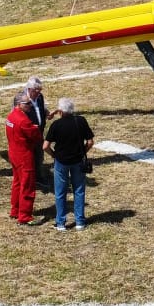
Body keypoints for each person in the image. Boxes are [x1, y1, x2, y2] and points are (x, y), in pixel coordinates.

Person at [44, 96, 94, 230]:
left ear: (60, 111)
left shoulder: (56, 125)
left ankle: (60, 223)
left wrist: (54, 155)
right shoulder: (81, 121)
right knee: (79, 191)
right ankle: (80, 222)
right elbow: (90, 142)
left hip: (61, 162)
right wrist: (83, 152)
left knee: (60, 192)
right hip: (78, 161)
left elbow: (45, 146)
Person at [3, 88, 42, 225]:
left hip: (13, 153)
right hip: (24, 156)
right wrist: (35, 128)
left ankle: (15, 210)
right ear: (19, 104)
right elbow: (36, 137)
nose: (30, 106)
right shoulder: (24, 121)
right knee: (27, 185)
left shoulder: (11, 116)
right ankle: (25, 216)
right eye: (27, 104)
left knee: (17, 183)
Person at [23, 77, 50, 191]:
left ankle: (38, 177)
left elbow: (40, 108)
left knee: (39, 156)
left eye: (40, 89)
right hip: (27, 135)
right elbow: (17, 116)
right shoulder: (21, 99)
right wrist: (28, 127)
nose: (39, 92)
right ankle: (28, 180)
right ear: (29, 89)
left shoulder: (39, 96)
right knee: (28, 158)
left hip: (38, 133)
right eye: (36, 90)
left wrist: (46, 112)